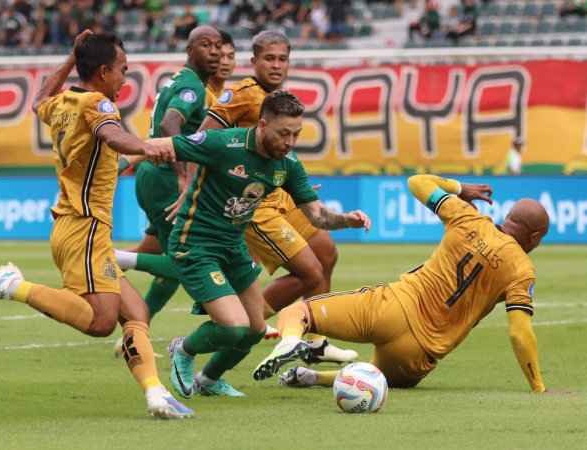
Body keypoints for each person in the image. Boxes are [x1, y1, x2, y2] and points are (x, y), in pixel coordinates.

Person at [0, 30, 192, 419]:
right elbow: (111, 136)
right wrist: (147, 146)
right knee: (100, 322)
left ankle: (156, 394)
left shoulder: (65, 103)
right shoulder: (97, 104)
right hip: (86, 229)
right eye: (123, 70)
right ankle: (12, 285)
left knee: (137, 314)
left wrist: (70, 59)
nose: (125, 78)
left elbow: (40, 98)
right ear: (105, 71)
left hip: (76, 227)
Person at [253, 174, 573, 395]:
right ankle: (313, 378)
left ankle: (291, 341)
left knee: (298, 312)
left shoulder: (466, 216)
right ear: (534, 237)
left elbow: (416, 182)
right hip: (418, 354)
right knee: (378, 378)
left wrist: (460, 188)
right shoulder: (522, 269)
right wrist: (538, 386)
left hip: (391, 308)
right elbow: (519, 331)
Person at [147, 90, 371, 398]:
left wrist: (347, 219)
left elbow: (317, 215)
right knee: (232, 327)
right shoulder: (224, 143)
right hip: (196, 244)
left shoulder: (288, 164)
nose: (289, 142)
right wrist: (112, 149)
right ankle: (182, 350)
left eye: (296, 134)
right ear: (263, 125)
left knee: (254, 330)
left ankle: (208, 381)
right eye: (283, 134)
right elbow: (159, 145)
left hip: (234, 248)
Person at [198, 30, 359, 364]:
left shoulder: (280, 98)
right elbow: (204, 140)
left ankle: (315, 343)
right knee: (310, 272)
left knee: (327, 253)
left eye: (282, 59)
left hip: (279, 196)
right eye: (268, 59)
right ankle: (245, 323)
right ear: (254, 61)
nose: (276, 65)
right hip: (253, 203)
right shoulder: (240, 94)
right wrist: (191, 186)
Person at [112, 26, 222, 357]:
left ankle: (135, 331)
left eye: (218, 46)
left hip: (151, 175)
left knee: (163, 253)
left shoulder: (178, 81)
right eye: (206, 46)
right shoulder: (191, 88)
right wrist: (183, 179)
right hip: (164, 180)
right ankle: (113, 259)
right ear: (190, 50)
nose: (214, 52)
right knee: (185, 262)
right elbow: (169, 127)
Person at [205, 29, 236, 107]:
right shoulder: (200, 93)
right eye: (220, 56)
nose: (226, 62)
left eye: (230, 56)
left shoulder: (228, 95)